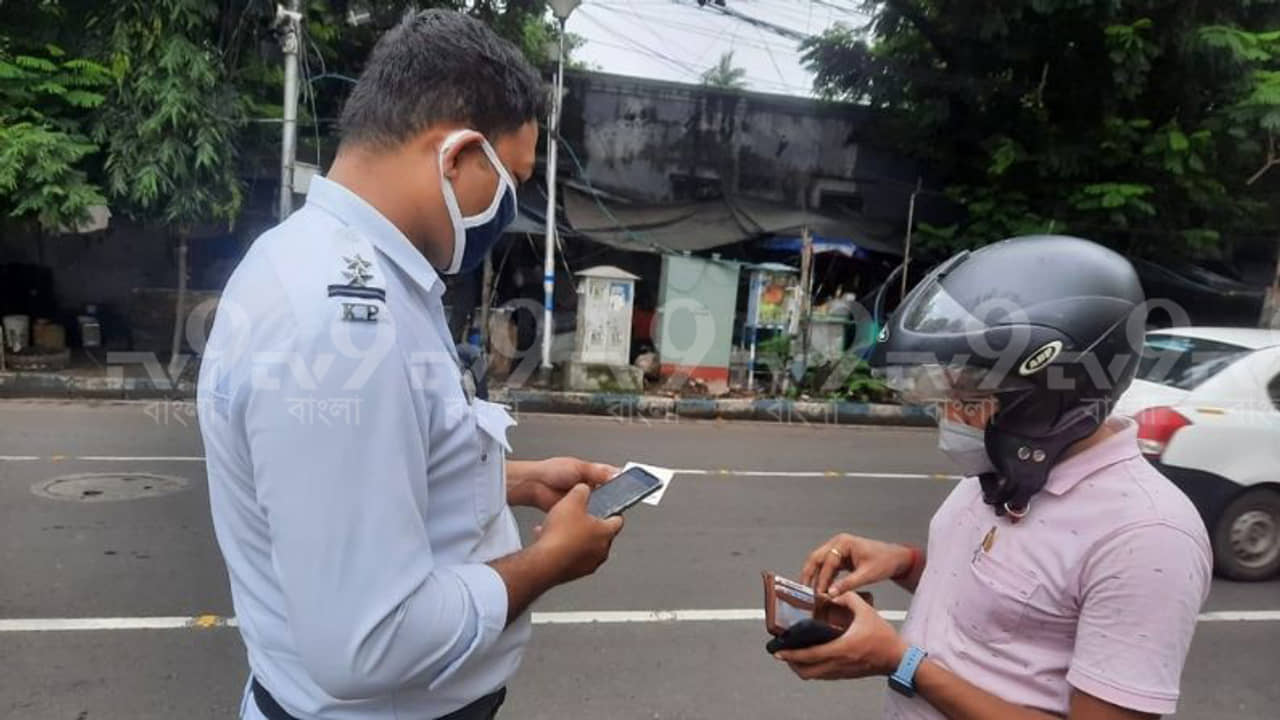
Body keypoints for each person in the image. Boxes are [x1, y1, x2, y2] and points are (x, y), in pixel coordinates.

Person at [196, 11, 624, 720]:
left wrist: (515, 480)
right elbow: (370, 644)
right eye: (512, 182)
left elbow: (377, 463)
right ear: (454, 156)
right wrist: (553, 560)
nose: (512, 208)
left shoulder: (329, 264)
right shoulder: (344, 323)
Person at [774, 236, 1212, 720]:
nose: (950, 410)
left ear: (1046, 397)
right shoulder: (1006, 466)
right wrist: (904, 562)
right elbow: (1005, 606)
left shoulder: (1148, 537)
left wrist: (903, 663)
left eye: (968, 390)